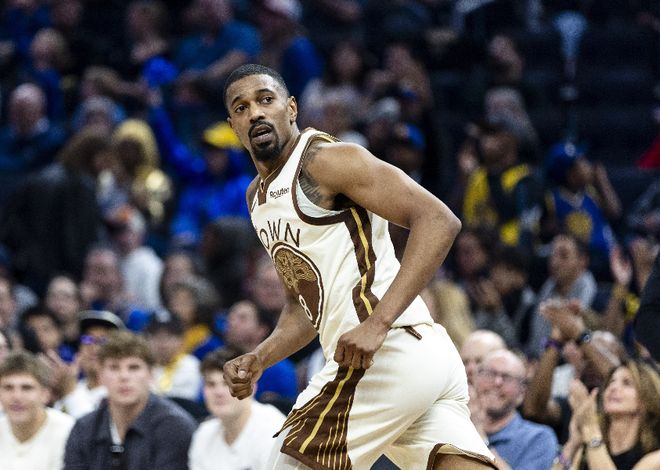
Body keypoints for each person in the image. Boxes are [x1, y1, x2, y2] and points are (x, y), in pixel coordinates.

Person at [221, 64, 495, 469]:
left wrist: (377, 323)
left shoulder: (325, 160)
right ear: (233, 126)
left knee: (287, 462)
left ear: (291, 108)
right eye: (241, 108)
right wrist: (259, 357)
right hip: (411, 359)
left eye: (266, 100)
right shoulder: (257, 199)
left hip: (386, 351)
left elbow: (439, 220)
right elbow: (304, 307)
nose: (256, 113)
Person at [63, 330, 197, 470]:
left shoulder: (175, 426)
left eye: (134, 368)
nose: (124, 376)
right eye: (114, 368)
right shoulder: (84, 428)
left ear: (150, 374)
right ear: (100, 375)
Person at [189, 348, 286, 470]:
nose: (218, 392)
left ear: (252, 387)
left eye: (228, 384)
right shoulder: (204, 433)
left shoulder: (274, 431)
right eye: (211, 384)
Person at [554, 360, 660, 470]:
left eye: (627, 383)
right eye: (611, 382)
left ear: (646, 399)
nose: (613, 387)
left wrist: (591, 429)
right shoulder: (588, 444)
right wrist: (572, 443)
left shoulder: (656, 457)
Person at [472, 349, 558, 470]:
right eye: (490, 374)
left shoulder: (538, 438)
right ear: (475, 379)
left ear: (521, 392)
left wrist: (479, 439)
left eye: (507, 378)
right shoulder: (453, 425)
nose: (497, 382)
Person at [0, 350, 75, 470]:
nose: (16, 397)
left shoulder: (69, 432)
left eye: (27, 388)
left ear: (45, 394)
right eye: (8, 388)